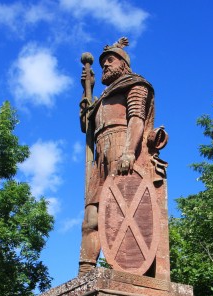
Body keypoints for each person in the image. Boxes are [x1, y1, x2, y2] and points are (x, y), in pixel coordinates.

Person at [79, 38, 157, 275]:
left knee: (125, 213)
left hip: (121, 148)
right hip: (100, 156)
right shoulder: (101, 98)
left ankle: (135, 273)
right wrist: (86, 94)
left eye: (109, 61)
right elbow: (86, 127)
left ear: (123, 63)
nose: (105, 66)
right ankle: (85, 272)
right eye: (102, 63)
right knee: (90, 219)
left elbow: (137, 119)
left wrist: (128, 153)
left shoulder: (135, 84)